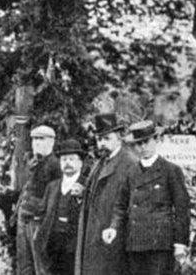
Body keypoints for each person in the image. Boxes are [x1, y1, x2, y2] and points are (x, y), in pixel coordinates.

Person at [106, 120, 189, 275]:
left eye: (146, 142)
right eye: (138, 144)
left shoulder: (171, 170)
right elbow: (120, 205)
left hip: (160, 242)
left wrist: (180, 243)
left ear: (156, 140)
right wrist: (114, 226)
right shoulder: (131, 172)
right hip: (135, 241)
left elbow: (182, 209)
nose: (142, 147)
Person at [75, 113, 136, 275]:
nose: (102, 143)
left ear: (119, 138)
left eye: (107, 139)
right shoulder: (100, 162)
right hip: (93, 236)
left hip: (113, 238)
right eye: (99, 139)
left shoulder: (129, 163)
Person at [15, 124, 61, 275]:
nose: (36, 143)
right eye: (34, 140)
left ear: (51, 142)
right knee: (25, 263)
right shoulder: (34, 163)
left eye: (41, 139)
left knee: (41, 264)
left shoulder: (54, 164)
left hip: (38, 220)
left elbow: (54, 197)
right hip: (24, 217)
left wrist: (41, 218)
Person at [37, 139, 87, 275]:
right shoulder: (52, 186)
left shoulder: (87, 185)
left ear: (80, 163)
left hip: (75, 244)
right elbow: (42, 213)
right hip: (53, 243)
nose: (67, 163)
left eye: (72, 159)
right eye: (64, 160)